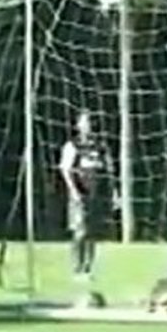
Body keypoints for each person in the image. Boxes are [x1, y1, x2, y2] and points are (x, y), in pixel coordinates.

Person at [59, 110, 115, 306]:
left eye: (91, 122)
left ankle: (88, 267)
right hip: (80, 193)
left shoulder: (100, 146)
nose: (88, 125)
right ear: (78, 125)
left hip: (96, 194)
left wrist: (113, 192)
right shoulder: (73, 145)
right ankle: (77, 268)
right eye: (85, 122)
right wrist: (73, 190)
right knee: (80, 230)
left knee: (93, 231)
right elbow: (65, 169)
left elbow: (108, 169)